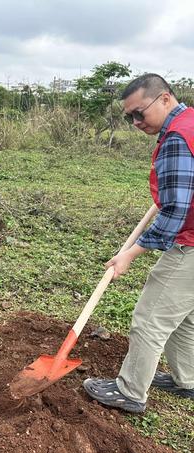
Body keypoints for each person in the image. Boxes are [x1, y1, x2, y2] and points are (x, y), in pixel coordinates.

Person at [83, 73, 194, 413]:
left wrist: (130, 253)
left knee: (150, 318)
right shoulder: (190, 124)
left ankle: (130, 392)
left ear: (164, 99)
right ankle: (187, 379)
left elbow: (176, 208)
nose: (134, 122)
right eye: (129, 117)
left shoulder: (177, 138)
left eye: (139, 113)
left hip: (190, 243)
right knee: (184, 315)